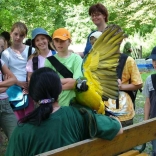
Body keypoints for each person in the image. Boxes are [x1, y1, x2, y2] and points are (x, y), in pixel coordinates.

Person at [5, 67, 123, 156]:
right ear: (60, 90)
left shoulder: (21, 131)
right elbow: (118, 129)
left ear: (32, 95)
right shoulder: (79, 115)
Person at [1, 22, 35, 120]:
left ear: (25, 36)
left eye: (21, 35)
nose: (18, 37)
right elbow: (5, 75)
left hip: (28, 87)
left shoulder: (31, 51)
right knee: (17, 118)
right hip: (13, 88)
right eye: (15, 34)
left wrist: (29, 84)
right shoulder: (6, 54)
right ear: (11, 33)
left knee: (30, 117)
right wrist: (18, 83)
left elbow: (33, 70)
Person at [44, 28, 83, 106]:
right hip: (56, 104)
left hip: (74, 103)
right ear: (53, 42)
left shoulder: (76, 59)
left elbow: (77, 82)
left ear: (69, 42)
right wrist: (69, 80)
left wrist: (56, 83)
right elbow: (48, 84)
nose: (59, 43)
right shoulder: (49, 61)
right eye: (56, 40)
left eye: (62, 40)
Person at [142, 47, 156, 156]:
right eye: (153, 60)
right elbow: (147, 102)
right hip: (154, 122)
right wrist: (145, 122)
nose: (154, 63)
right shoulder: (150, 79)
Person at [0, 58, 17, 140]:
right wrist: (6, 85)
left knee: (15, 136)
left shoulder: (0, 61)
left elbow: (13, 79)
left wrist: (4, 84)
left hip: (5, 104)